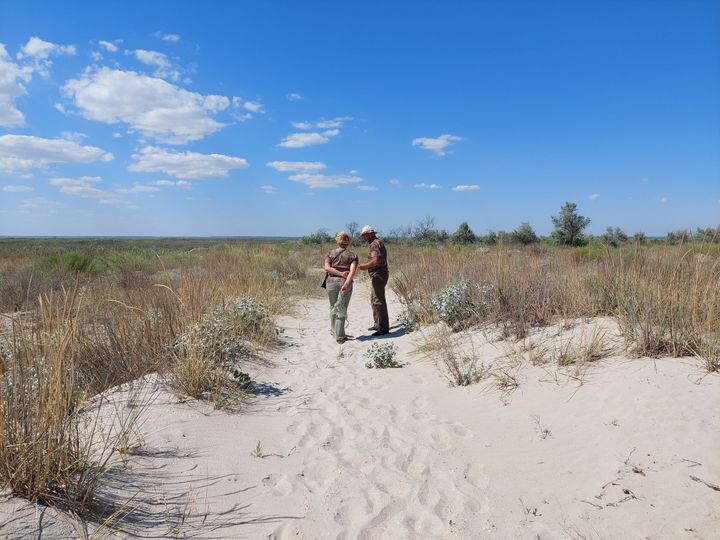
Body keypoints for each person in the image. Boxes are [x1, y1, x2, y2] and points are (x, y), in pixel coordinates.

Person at [323, 231, 358, 344]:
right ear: (348, 242)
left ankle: (334, 331)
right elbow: (352, 272)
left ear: (337, 241)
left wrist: (338, 273)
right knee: (342, 308)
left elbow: (327, 268)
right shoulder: (352, 256)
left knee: (333, 306)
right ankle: (340, 336)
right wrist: (346, 283)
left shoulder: (330, 254)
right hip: (345, 282)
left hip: (331, 282)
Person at [357, 225, 389, 336]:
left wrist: (364, 266)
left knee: (378, 300)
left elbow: (375, 261)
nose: (364, 238)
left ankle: (383, 328)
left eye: (365, 235)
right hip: (379, 275)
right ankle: (377, 324)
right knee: (374, 299)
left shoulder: (375, 244)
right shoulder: (376, 243)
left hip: (378, 275)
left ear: (370, 234)